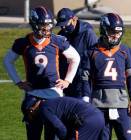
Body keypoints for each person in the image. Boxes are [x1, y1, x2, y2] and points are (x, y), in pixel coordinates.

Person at [3, 6, 80, 140]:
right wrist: (18, 82)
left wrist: (68, 80)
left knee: (53, 135)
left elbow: (75, 57)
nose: (46, 28)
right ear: (34, 24)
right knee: (33, 135)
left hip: (54, 93)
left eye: (49, 24)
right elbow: (8, 61)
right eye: (43, 25)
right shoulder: (24, 43)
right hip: (33, 94)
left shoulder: (57, 41)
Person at [81, 13, 131, 140]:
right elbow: (85, 79)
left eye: (118, 32)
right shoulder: (91, 52)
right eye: (112, 32)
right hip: (98, 105)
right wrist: (86, 101)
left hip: (121, 104)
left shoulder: (126, 51)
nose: (115, 35)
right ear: (103, 30)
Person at [56, 8, 98, 101]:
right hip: (66, 80)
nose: (63, 28)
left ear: (74, 19)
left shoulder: (88, 33)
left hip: (82, 81)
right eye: (61, 26)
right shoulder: (61, 35)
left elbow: (96, 56)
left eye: (65, 24)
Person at [38, 97, 105, 140]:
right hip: (99, 116)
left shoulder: (43, 108)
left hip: (87, 120)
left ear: (31, 109)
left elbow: (60, 128)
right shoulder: (52, 102)